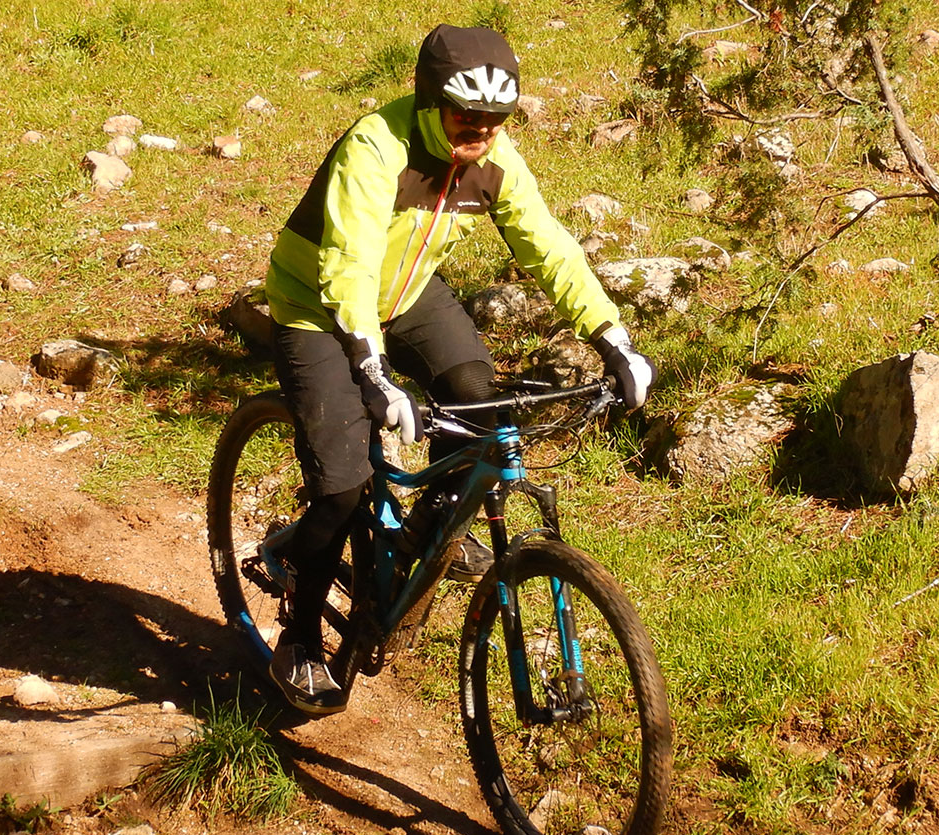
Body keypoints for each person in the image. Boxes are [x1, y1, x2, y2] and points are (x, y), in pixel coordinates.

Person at [259, 23, 654, 716]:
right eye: (464, 115)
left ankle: (429, 526)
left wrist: (612, 337)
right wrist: (373, 374)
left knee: (478, 398)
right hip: (318, 303)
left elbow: (550, 249)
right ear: (428, 101)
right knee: (345, 479)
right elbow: (347, 264)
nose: (480, 131)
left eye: (494, 119)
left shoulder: (497, 160)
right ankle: (298, 631)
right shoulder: (377, 148)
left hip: (406, 295)